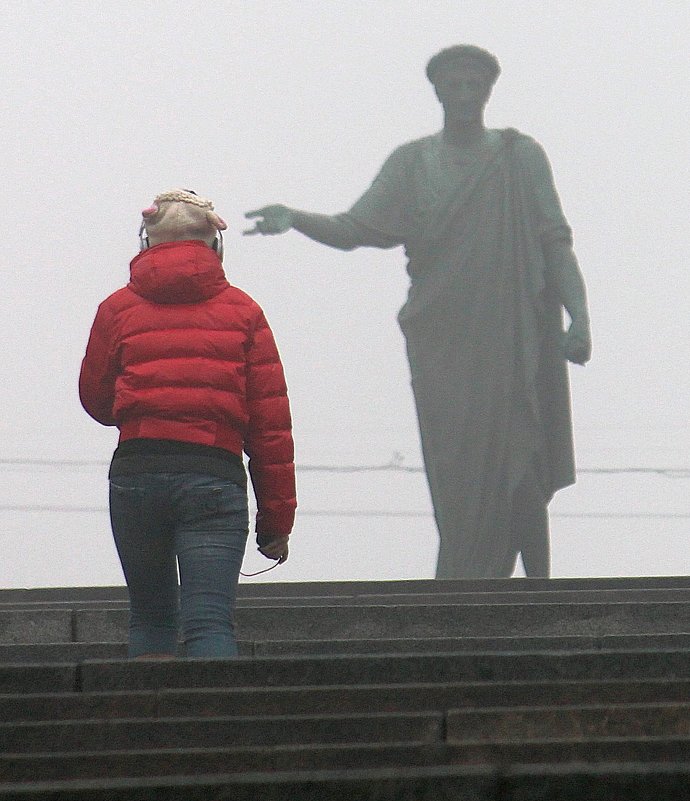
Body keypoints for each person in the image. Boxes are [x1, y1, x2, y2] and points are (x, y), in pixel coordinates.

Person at [244, 45, 591, 579]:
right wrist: (296, 218)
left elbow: (554, 239)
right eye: (454, 83)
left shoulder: (519, 157)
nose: (464, 93)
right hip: (443, 341)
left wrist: (580, 316)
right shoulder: (413, 163)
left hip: (511, 334)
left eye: (474, 83)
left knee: (523, 459)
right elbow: (354, 228)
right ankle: (463, 576)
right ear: (438, 90)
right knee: (456, 472)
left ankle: (540, 590)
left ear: (488, 90)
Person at [80, 189, 296, 657]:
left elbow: (96, 402)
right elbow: (270, 427)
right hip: (213, 476)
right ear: (214, 246)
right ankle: (216, 727)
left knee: (152, 617)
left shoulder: (116, 309)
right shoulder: (244, 312)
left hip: (137, 472)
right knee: (210, 623)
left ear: (145, 244)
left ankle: (146, 727)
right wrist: (276, 521)